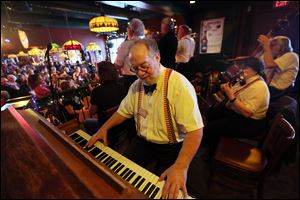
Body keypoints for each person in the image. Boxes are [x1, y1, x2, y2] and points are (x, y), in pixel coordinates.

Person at [86, 39, 203, 199]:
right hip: (143, 143)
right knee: (118, 175)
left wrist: (181, 167)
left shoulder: (179, 85)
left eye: (144, 66)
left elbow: (195, 131)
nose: (140, 73)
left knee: (185, 193)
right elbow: (123, 111)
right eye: (135, 68)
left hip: (173, 147)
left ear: (157, 57)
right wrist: (103, 128)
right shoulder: (136, 86)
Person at [203, 56, 270, 160]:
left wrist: (231, 97)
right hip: (238, 113)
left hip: (250, 123)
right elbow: (235, 90)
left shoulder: (260, 87)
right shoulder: (248, 78)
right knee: (210, 113)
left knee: (212, 127)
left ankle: (213, 154)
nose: (241, 70)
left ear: (255, 70)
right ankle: (211, 139)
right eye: (242, 67)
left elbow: (247, 113)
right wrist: (226, 88)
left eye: (245, 68)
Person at [84, 61, 127, 135]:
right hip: (122, 124)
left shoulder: (96, 91)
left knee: (86, 122)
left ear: (101, 74)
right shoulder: (121, 87)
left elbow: (92, 111)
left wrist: (93, 95)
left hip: (105, 127)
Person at [257, 35, 299, 101]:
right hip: (269, 87)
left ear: (282, 46)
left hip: (278, 91)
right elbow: (259, 65)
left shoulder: (292, 55)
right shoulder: (277, 59)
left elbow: (269, 64)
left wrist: (266, 46)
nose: (271, 47)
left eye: (273, 45)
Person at [114, 18, 145, 92]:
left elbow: (118, 64)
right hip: (145, 77)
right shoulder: (146, 43)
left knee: (132, 102)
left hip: (130, 79)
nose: (127, 30)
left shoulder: (126, 44)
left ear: (132, 30)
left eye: (128, 28)